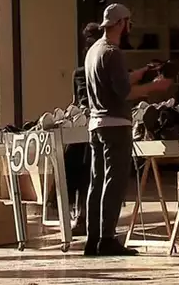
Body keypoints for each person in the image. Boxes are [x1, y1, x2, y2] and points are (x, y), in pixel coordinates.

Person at [84, 3, 172, 256]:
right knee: (114, 182)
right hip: (116, 125)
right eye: (129, 23)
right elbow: (124, 92)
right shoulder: (114, 52)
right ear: (122, 23)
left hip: (96, 125)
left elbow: (115, 81)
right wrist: (156, 87)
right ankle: (108, 239)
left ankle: (94, 239)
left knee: (97, 182)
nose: (130, 27)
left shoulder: (94, 51)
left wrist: (143, 72)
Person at [66, 22, 103, 236]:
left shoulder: (102, 68)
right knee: (83, 167)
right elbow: (79, 101)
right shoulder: (80, 73)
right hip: (87, 126)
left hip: (100, 124)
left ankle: (87, 216)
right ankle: (81, 215)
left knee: (91, 170)